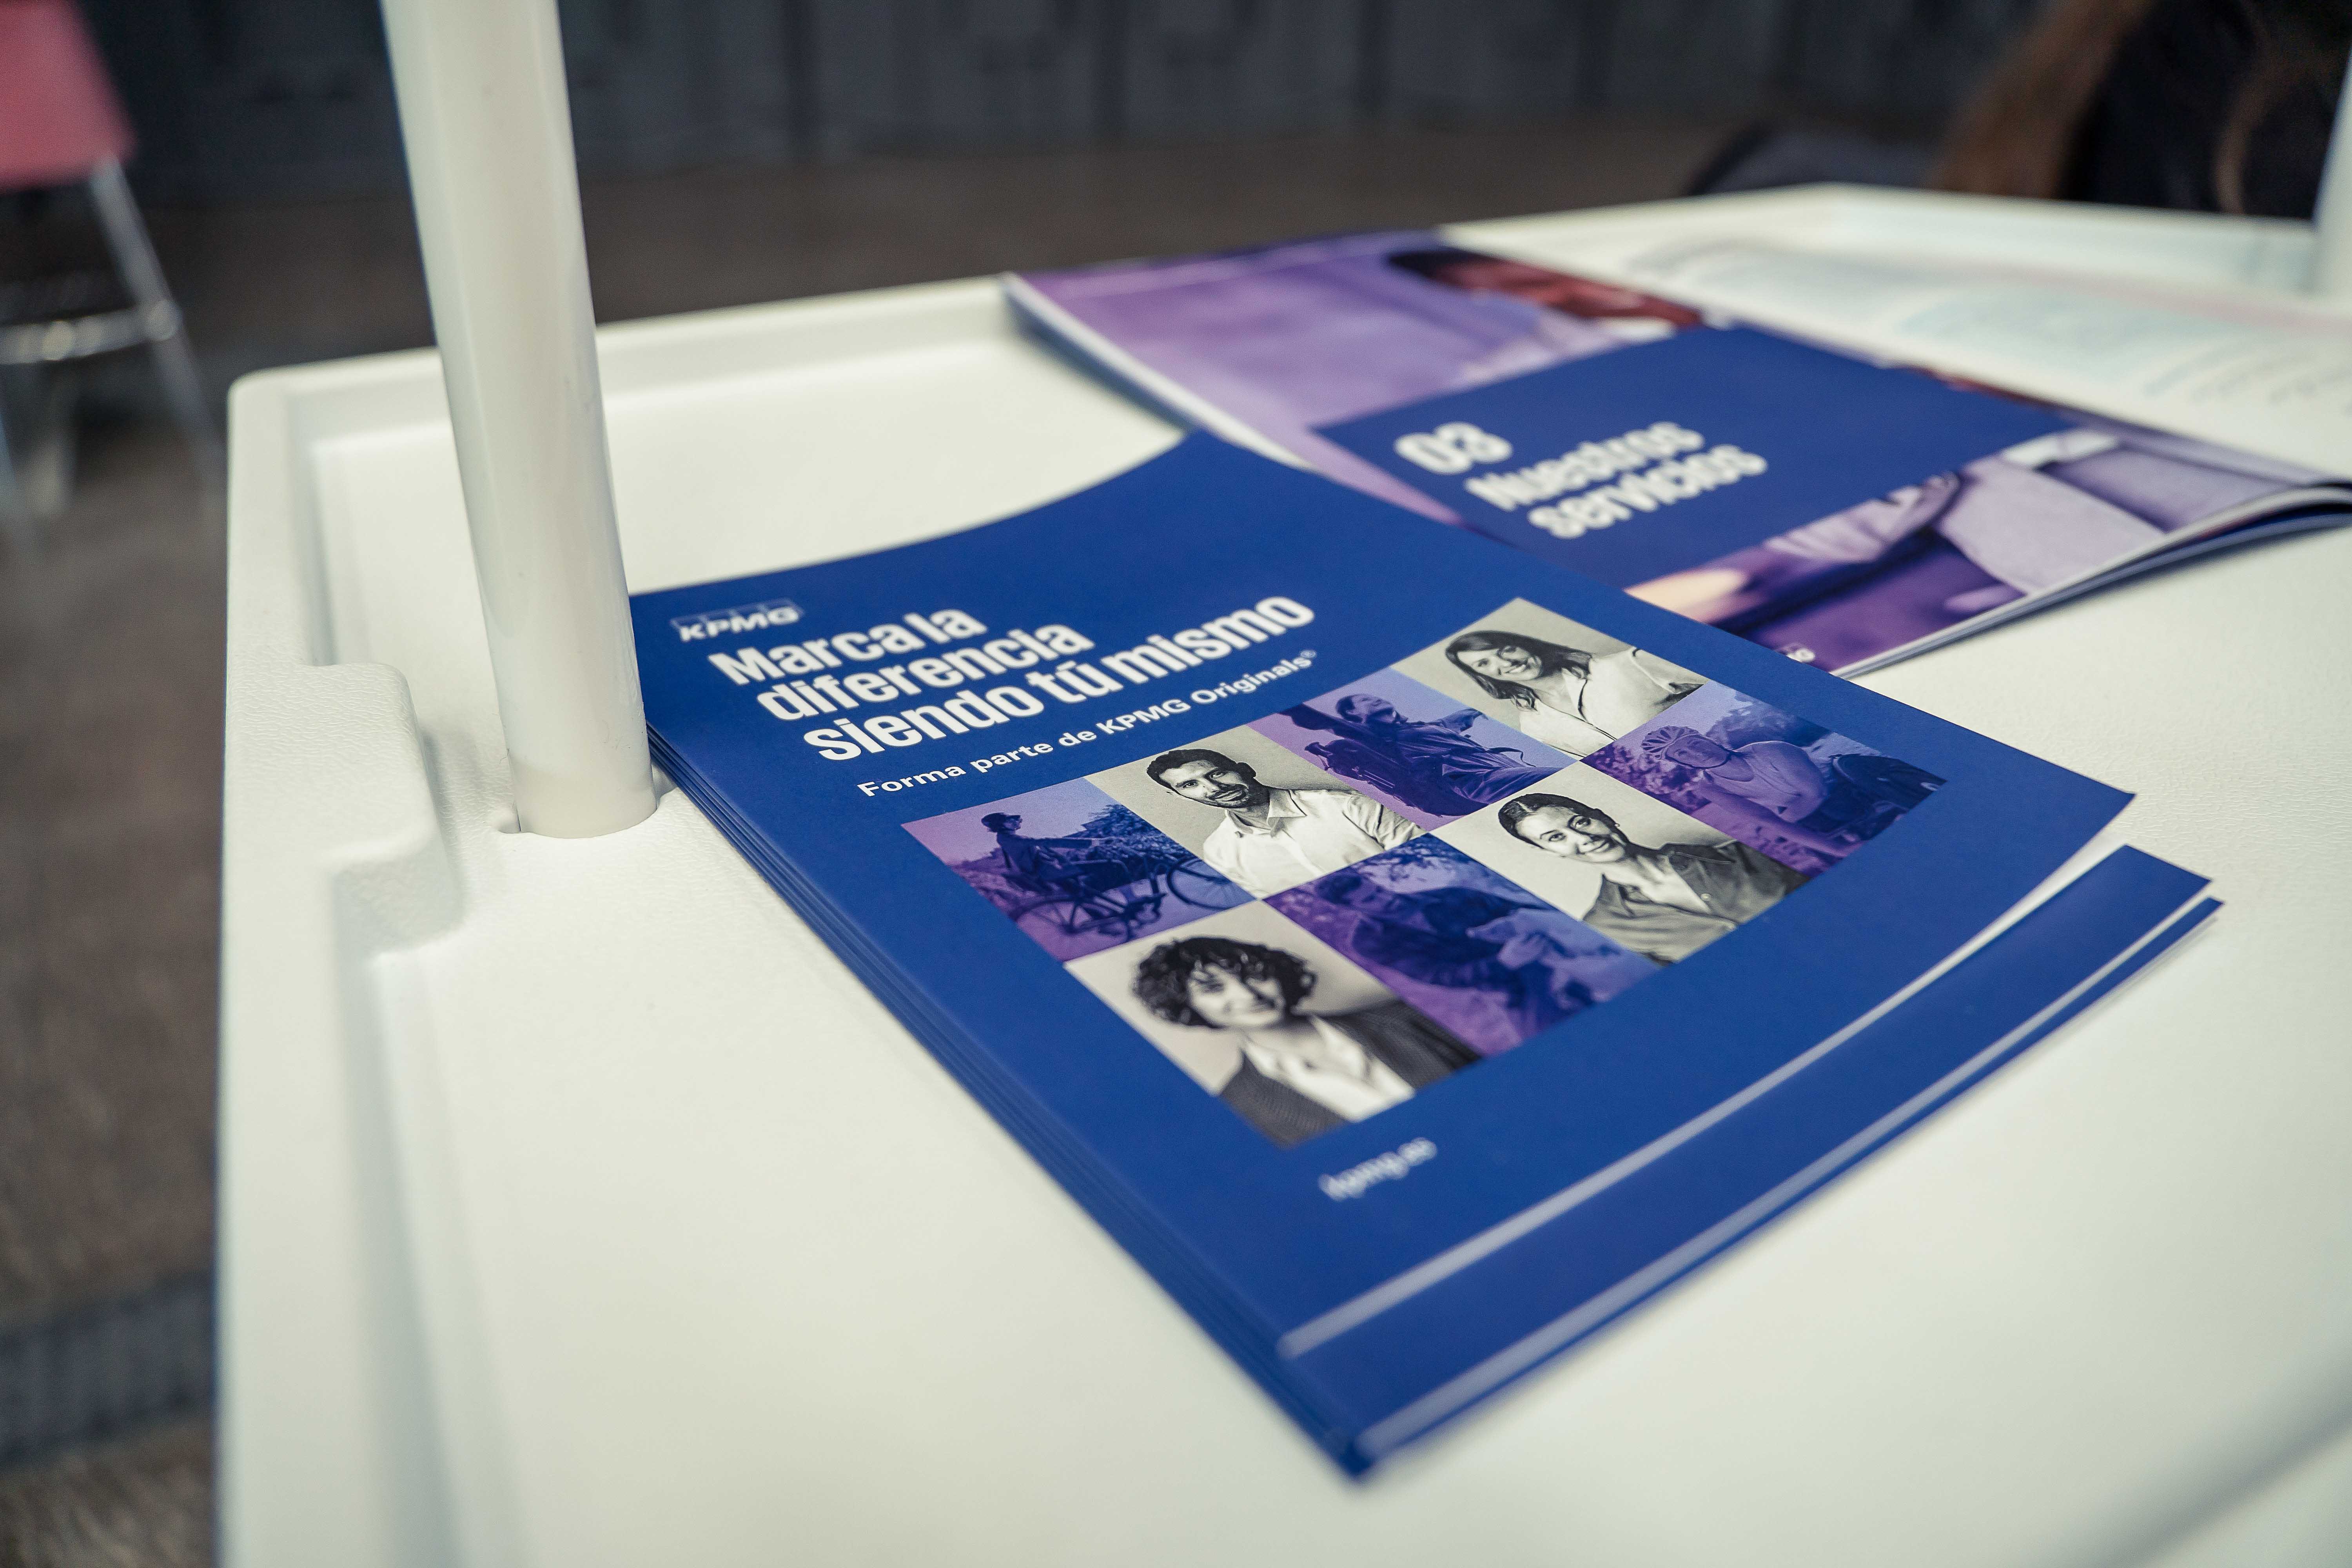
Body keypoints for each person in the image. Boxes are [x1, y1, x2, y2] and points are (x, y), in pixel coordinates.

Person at [1132, 935, 1480, 1149]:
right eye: (1213, 988)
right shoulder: (1235, 1111)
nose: (1247, 994)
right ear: (1188, 1007)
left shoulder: (1408, 1017)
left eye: (1253, 975)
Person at [1499, 793, 1807, 963]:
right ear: (1548, 852)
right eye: (1556, 838)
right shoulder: (1605, 929)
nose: (1584, 839)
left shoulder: (1748, 850)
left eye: (1581, 822)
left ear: (1604, 817)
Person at [1315, 867, 1597, 1037]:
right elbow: (1438, 975)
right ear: (1351, 908)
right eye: (1371, 900)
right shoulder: (1368, 942)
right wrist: (1504, 962)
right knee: (1549, 1040)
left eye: (1379, 890)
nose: (1386, 898)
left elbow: (1530, 910)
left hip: (1558, 954)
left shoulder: (1453, 894)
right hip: (1508, 987)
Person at [1147, 747, 1420, 897]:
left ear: (1245, 770)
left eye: (1217, 774)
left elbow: (1425, 860)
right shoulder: (1219, 852)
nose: (1214, 788)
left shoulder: (1347, 805)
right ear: (1179, 796)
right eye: (1190, 785)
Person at [1638, 726, 1941, 851]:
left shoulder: (1770, 750)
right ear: (1679, 763)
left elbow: (1815, 793)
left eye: (1694, 743)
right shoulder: (1710, 789)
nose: (1697, 753)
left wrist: (1786, 816)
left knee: (1852, 768)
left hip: (1851, 785)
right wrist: (1838, 851)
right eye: (1683, 753)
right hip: (1823, 815)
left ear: (1706, 738)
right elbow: (1767, 822)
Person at [1282, 693, 1559, 818]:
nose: (1375, 699)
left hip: (1501, 766)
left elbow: (1461, 717)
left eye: (1372, 696)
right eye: (1364, 701)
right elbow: (1314, 718)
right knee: (1555, 779)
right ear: (1354, 715)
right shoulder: (1376, 736)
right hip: (1469, 780)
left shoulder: (1430, 727)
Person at [1444, 629, 1700, 757]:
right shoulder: (1534, 728)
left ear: (1526, 646)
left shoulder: (1628, 664)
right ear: (1483, 676)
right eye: (1484, 664)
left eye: (1507, 650)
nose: (1506, 663)